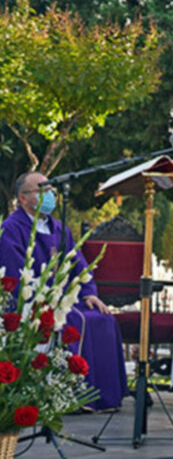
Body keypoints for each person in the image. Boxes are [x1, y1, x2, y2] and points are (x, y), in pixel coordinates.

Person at [0, 172, 128, 410]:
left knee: (102, 319)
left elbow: (79, 264)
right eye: (41, 190)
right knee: (75, 323)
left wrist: (89, 292)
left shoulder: (60, 228)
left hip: (64, 301)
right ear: (22, 198)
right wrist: (44, 299)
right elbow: (14, 274)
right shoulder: (11, 228)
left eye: (50, 190)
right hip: (33, 303)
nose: (49, 195)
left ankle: (104, 397)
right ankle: (72, 397)